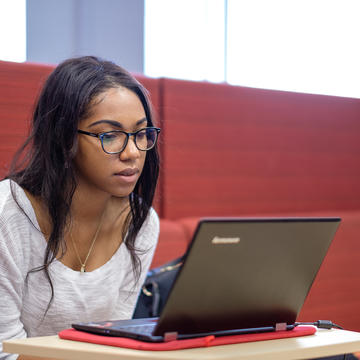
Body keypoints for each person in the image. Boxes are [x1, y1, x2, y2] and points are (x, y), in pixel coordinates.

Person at [0, 56, 161, 360]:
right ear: (63, 137)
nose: (132, 153)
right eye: (109, 135)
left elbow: (114, 340)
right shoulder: (8, 217)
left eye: (141, 134)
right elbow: (5, 351)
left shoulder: (140, 222)